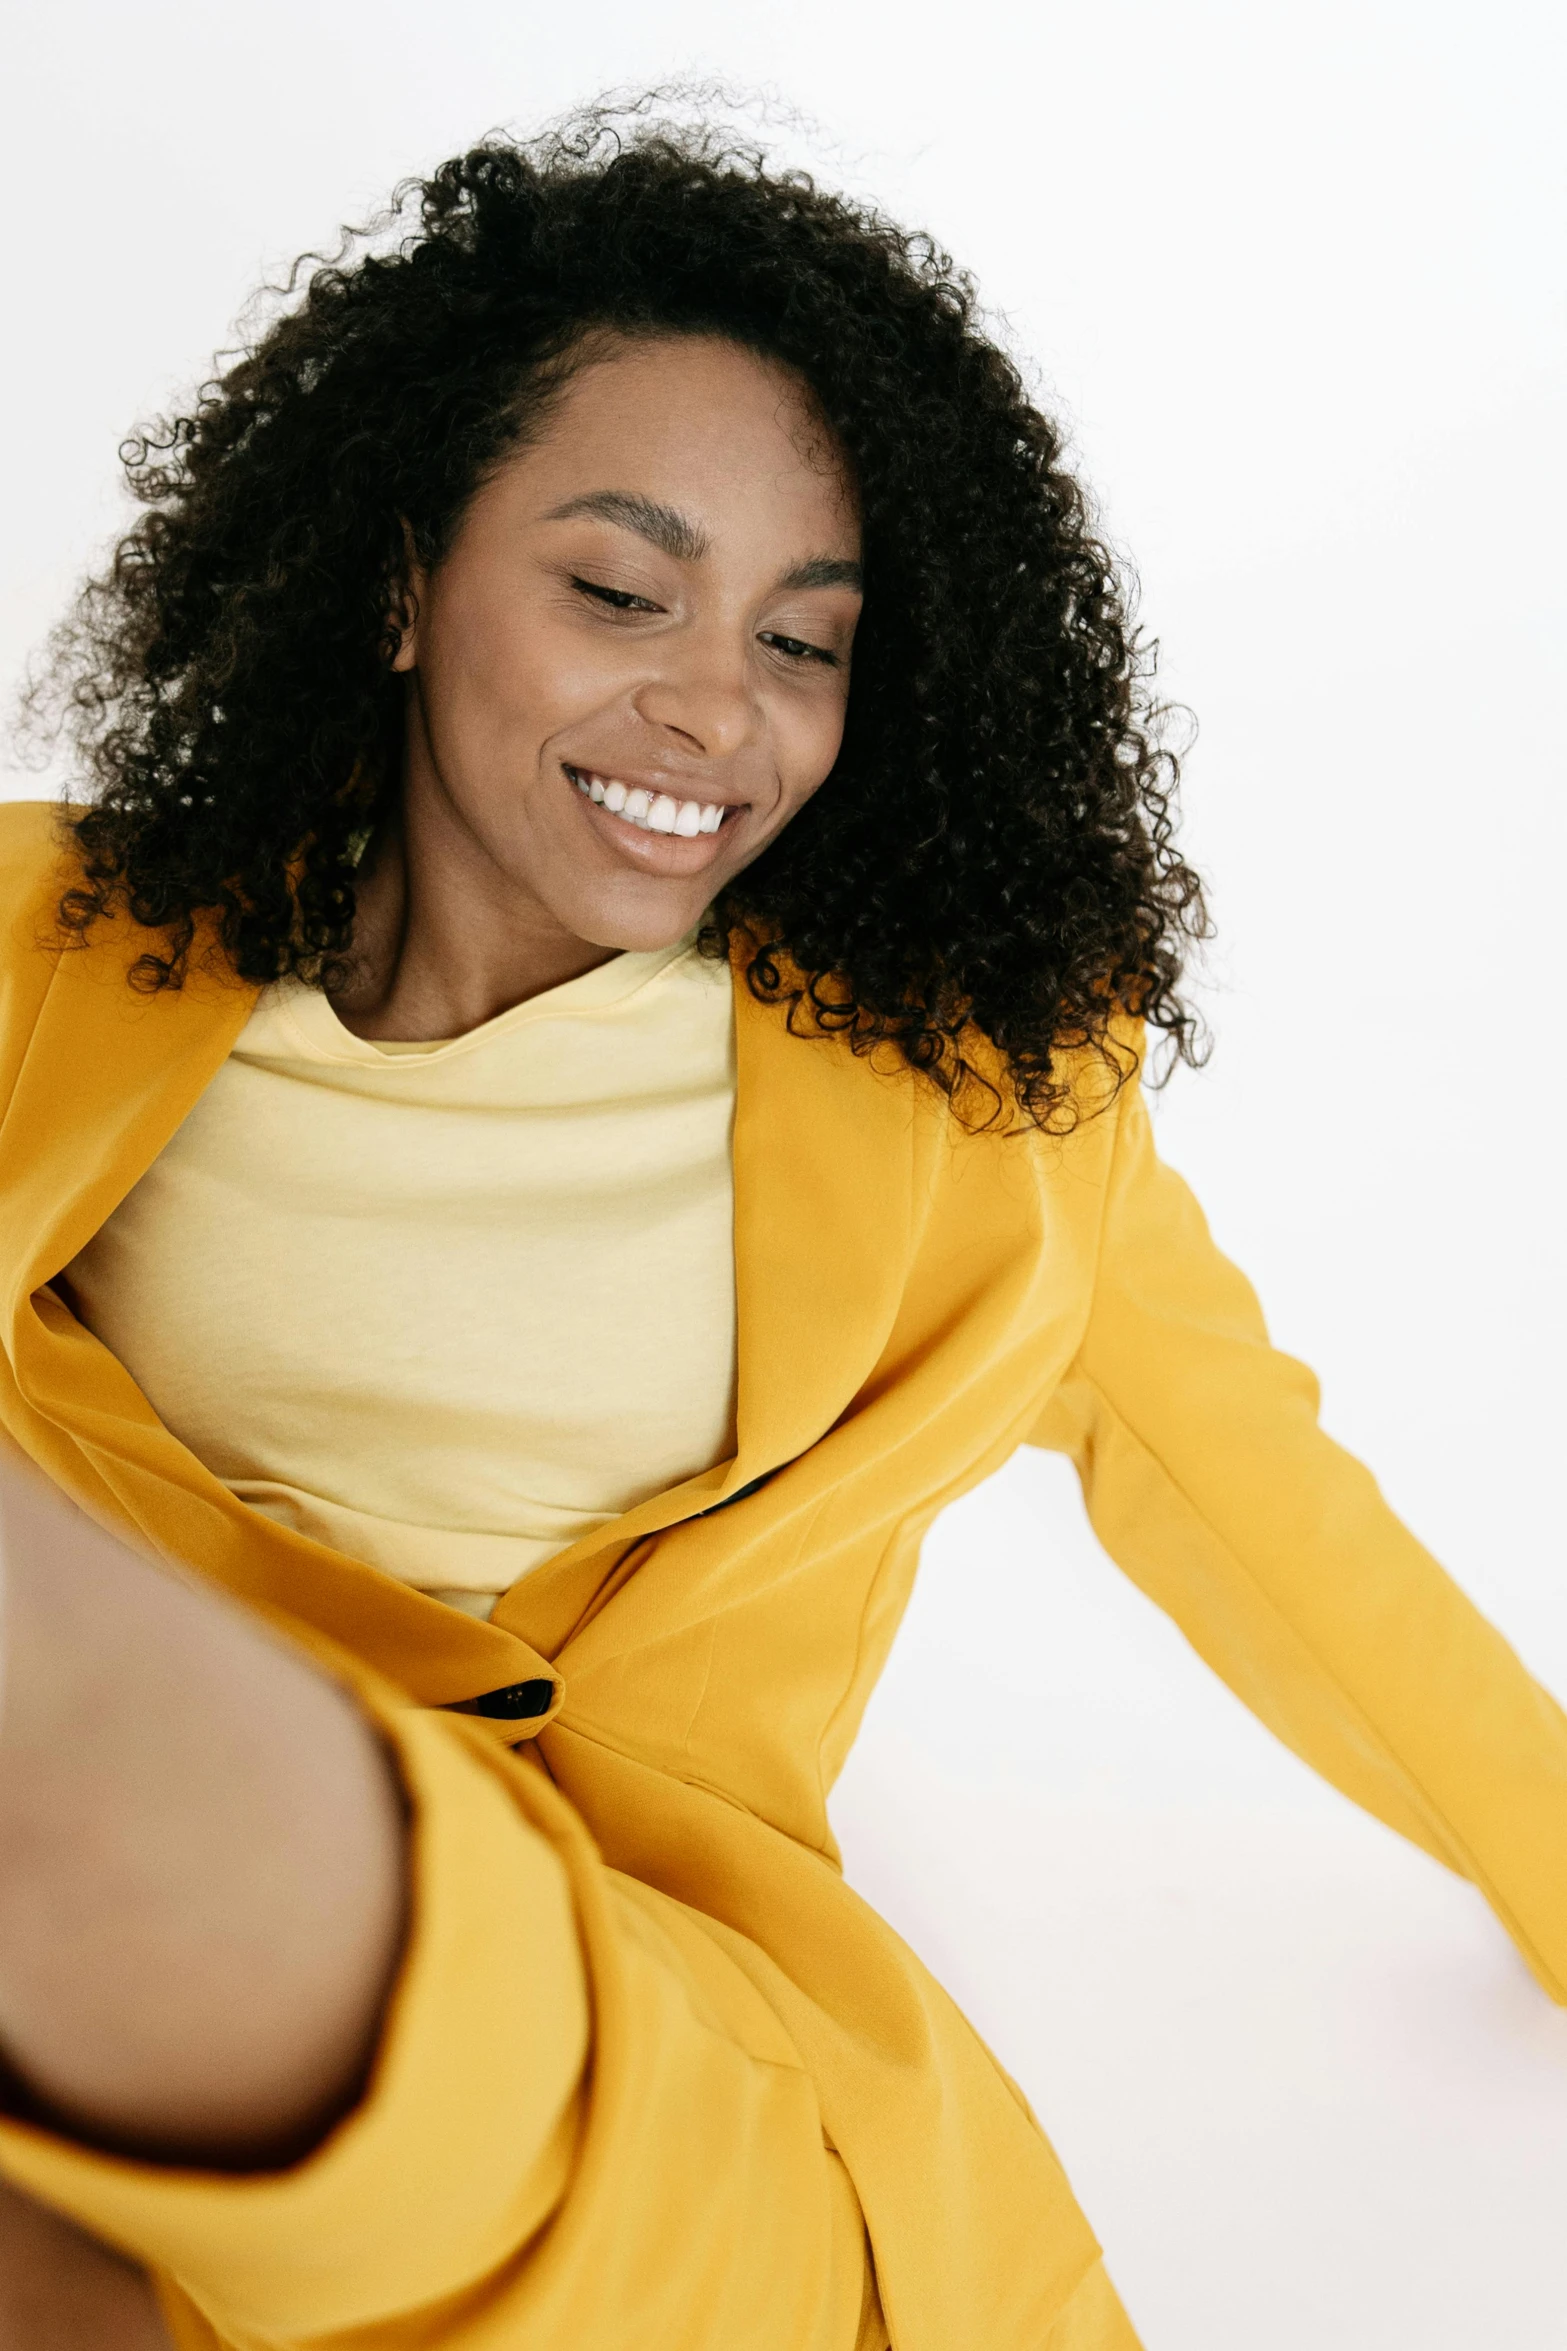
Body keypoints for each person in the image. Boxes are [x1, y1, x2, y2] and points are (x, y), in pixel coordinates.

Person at [0, 107, 1562, 2351]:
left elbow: (1280, 1520)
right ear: (403, 572)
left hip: (626, 2089)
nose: (717, 709)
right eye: (619, 589)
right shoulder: (48, 949)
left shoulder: (971, 1111)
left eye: (804, 643)